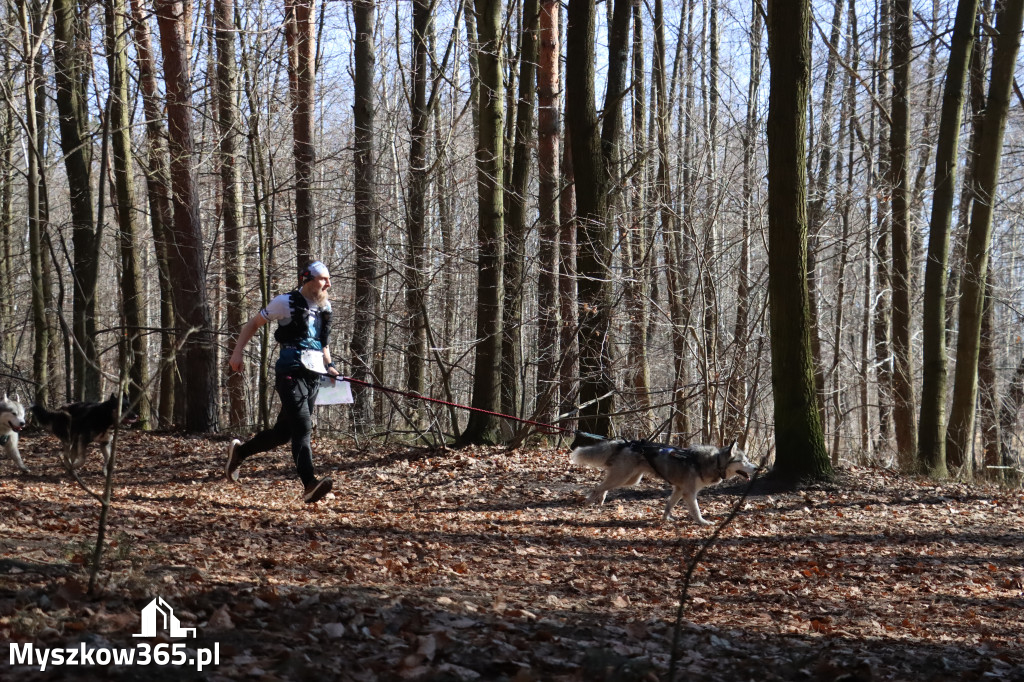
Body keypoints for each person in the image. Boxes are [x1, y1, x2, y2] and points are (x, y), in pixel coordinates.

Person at [226, 260, 340, 503]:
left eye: (328, 279)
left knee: (282, 434)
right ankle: (310, 484)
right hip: (290, 371)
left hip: (313, 374)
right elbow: (253, 324)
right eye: (323, 279)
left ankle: (240, 452)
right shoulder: (284, 302)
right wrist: (237, 352)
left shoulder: (325, 307)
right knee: (303, 427)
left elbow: (323, 343)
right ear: (307, 279)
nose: (328, 284)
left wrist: (329, 366)